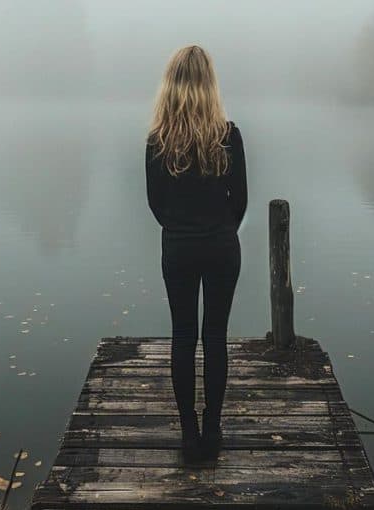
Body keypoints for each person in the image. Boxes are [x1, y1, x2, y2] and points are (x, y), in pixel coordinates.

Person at [144, 45, 247, 463]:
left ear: (171, 85)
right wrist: (220, 229)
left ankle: (189, 434)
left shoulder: (157, 142)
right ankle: (213, 428)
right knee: (216, 337)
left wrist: (181, 229)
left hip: (179, 249)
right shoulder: (228, 135)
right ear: (209, 84)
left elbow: (156, 204)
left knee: (184, 336)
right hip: (223, 246)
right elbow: (239, 201)